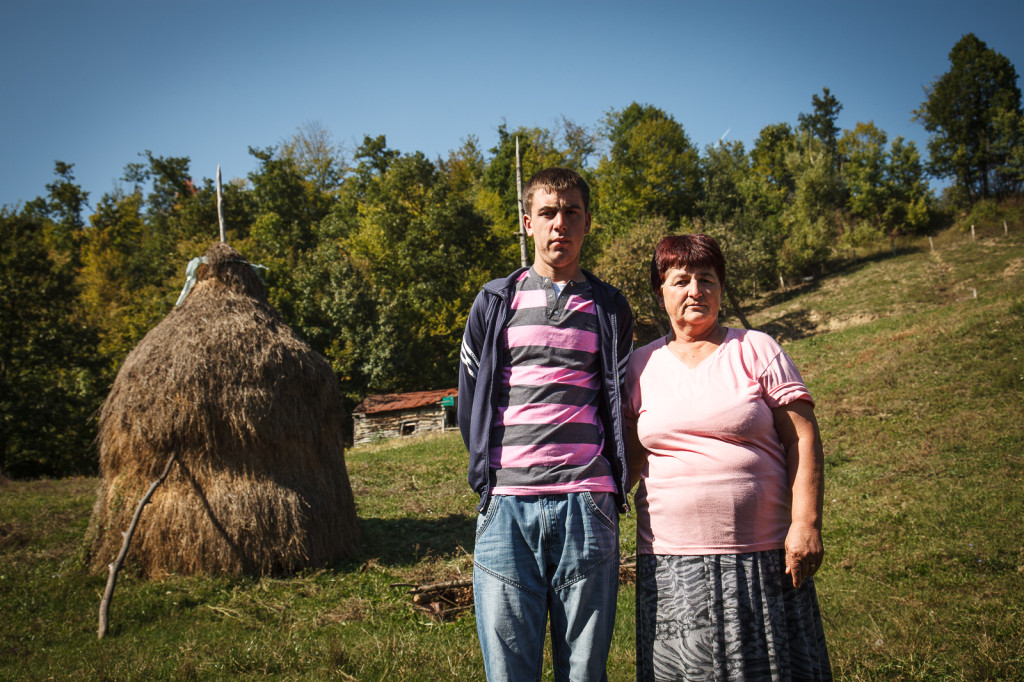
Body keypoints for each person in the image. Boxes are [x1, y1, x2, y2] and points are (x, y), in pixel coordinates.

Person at [624, 234, 832, 681]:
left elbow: (802, 438)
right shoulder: (640, 366)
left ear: (721, 288)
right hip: (671, 563)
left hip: (764, 558)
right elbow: (629, 457)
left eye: (707, 279)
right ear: (660, 291)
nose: (695, 290)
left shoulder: (756, 348)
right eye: (681, 280)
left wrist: (806, 523)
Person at [458, 167, 634, 681]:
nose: (560, 224)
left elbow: (619, 402)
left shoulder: (610, 307)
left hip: (588, 507)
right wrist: (492, 476)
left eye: (572, 212)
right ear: (527, 223)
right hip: (507, 509)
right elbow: (471, 399)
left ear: (587, 223)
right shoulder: (495, 301)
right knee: (509, 673)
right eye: (548, 213)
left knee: (583, 672)